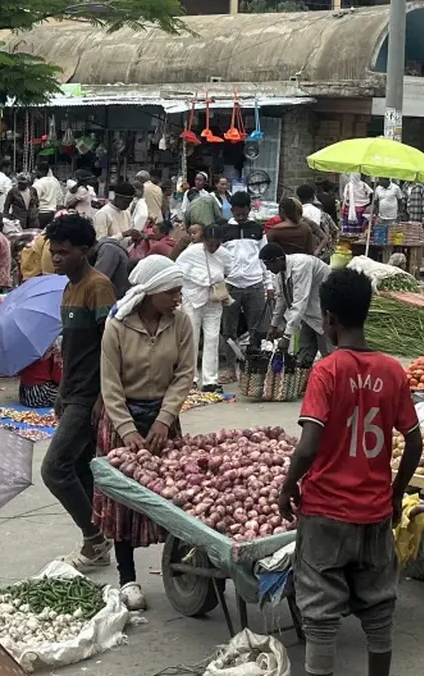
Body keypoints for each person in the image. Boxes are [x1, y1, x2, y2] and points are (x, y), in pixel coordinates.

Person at [279, 268, 422, 676]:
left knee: (321, 615)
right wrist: (395, 495)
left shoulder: (327, 371)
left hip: (326, 513)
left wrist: (287, 488)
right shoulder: (392, 370)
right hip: (375, 513)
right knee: (379, 610)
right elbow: (414, 441)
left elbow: (307, 446)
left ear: (328, 319)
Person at [95, 255, 200, 606]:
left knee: (175, 496)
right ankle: (127, 579)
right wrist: (126, 430)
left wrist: (164, 419)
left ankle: (182, 567)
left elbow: (185, 374)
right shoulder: (118, 326)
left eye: (179, 292)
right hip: (122, 418)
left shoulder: (181, 324)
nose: (177, 298)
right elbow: (109, 384)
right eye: (172, 292)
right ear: (151, 292)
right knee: (123, 500)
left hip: (163, 421)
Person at [32, 216, 120, 567]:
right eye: (53, 252)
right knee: (80, 468)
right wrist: (61, 392)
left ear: (84, 251)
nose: (56, 258)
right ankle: (99, 535)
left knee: (54, 469)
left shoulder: (98, 287)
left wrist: (103, 395)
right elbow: (72, 349)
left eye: (63, 252)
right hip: (73, 391)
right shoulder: (68, 287)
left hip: (90, 394)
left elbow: (111, 346)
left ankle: (93, 538)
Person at [177, 223, 229, 392]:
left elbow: (231, 270)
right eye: (210, 244)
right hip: (192, 298)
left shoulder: (224, 254)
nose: (214, 248)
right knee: (191, 338)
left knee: (212, 338)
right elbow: (179, 271)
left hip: (214, 299)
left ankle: (210, 380)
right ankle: (190, 378)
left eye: (217, 244)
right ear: (204, 240)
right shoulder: (191, 252)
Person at [262, 243, 329, 370]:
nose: (268, 269)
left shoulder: (301, 265)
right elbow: (281, 299)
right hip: (307, 314)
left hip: (323, 312)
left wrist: (287, 337)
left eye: (268, 265)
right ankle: (304, 383)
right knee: (304, 354)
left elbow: (300, 301)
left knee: (328, 354)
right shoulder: (280, 272)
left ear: (277, 259)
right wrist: (273, 325)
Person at [219, 193, 270, 353]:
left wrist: (269, 284)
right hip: (231, 286)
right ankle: (230, 367)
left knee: (257, 329)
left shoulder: (258, 229)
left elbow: (264, 258)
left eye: (244, 213)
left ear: (249, 209)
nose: (240, 216)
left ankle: (254, 366)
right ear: (231, 210)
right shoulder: (224, 230)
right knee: (228, 329)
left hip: (254, 284)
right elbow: (219, 259)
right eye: (237, 213)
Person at [94, 183, 144, 247]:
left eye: (130, 203)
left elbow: (126, 242)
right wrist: (122, 235)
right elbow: (100, 242)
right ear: (118, 198)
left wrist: (133, 239)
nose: (128, 205)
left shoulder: (126, 212)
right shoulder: (103, 214)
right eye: (126, 202)